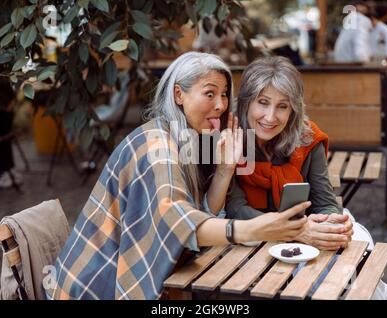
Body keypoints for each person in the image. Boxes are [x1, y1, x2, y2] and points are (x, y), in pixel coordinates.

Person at [45, 52, 309, 300]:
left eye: (225, 94)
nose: (220, 105)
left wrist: (225, 170)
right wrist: (254, 228)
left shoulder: (191, 137)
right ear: (179, 94)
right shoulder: (157, 145)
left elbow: (200, 213)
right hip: (93, 286)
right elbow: (177, 221)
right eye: (209, 93)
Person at [226, 56, 387, 299]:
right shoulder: (229, 137)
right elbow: (236, 209)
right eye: (262, 103)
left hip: (304, 238)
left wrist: (331, 225)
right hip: (249, 242)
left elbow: (325, 200)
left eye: (282, 106)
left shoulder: (306, 137)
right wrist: (297, 230)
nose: (270, 116)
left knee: (355, 276)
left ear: (294, 108)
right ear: (245, 102)